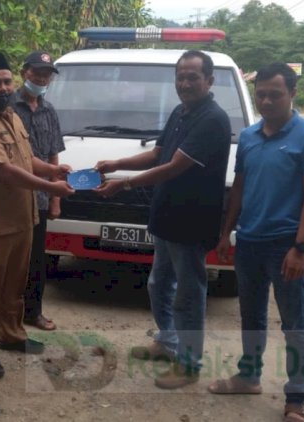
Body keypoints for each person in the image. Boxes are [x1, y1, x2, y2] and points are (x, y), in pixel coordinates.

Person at [94, 50, 231, 389]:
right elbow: (158, 154)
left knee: (189, 294)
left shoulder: (212, 119)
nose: (184, 83)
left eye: (192, 77)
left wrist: (123, 183)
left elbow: (173, 167)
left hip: (191, 222)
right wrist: (116, 164)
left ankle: (189, 363)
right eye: (180, 77)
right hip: (166, 217)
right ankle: (168, 342)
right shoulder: (181, 112)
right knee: (159, 285)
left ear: (209, 80)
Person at [207, 62, 304, 422]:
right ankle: (249, 377)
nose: (266, 101)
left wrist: (301, 248)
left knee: (294, 321)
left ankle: (297, 398)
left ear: (292, 93)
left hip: (286, 245)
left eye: (275, 94)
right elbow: (240, 187)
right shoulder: (248, 137)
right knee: (251, 315)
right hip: (249, 241)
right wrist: (226, 232)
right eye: (260, 94)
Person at [0, 52, 74, 380]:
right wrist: (50, 187)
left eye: (6, 81)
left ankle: (12, 335)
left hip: (25, 217)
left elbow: (27, 159)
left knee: (15, 282)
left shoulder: (12, 117)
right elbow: (4, 170)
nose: (3, 87)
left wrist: (53, 170)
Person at [11, 51, 64, 332]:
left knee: (36, 259)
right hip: (12, 196)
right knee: (8, 258)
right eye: (37, 72)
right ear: (24, 73)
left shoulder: (49, 111)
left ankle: (33, 312)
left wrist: (55, 199)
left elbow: (54, 155)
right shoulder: (8, 108)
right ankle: (3, 314)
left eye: (47, 74)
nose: (42, 78)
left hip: (41, 198)